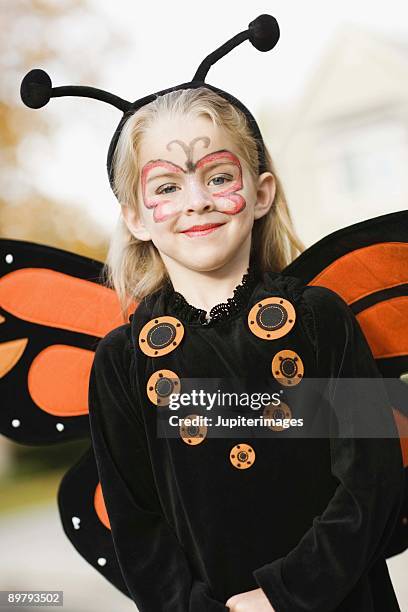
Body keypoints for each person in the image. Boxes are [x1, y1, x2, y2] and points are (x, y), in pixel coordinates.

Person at [87, 85, 405, 612]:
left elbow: (372, 480)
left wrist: (285, 594)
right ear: (136, 217)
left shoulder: (323, 321)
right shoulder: (122, 364)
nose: (198, 201)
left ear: (260, 193)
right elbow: (137, 526)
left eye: (217, 177)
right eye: (166, 187)